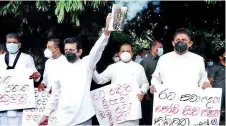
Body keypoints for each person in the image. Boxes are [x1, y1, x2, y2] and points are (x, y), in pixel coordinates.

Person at [39, 13, 111, 126]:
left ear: (79, 52)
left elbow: (97, 50)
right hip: (63, 118)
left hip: (83, 118)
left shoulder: (87, 64)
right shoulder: (59, 68)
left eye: (71, 50)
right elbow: (55, 94)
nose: (68, 52)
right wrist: (46, 114)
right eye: (66, 50)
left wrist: (106, 31)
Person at [93, 43, 149, 125]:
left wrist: (142, 92)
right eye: (123, 51)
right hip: (116, 112)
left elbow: (145, 83)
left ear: (132, 53)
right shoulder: (113, 67)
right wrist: (93, 69)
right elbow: (99, 80)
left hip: (133, 112)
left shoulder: (139, 68)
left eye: (128, 51)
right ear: (119, 53)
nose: (125, 53)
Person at [150, 28, 211, 94]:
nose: (180, 42)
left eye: (184, 40)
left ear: (190, 43)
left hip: (190, 99)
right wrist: (154, 86)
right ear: (173, 43)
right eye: (178, 40)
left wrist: (205, 84)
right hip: (168, 99)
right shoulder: (163, 59)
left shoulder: (198, 60)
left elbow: (203, 79)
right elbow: (156, 78)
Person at [0, 33, 40, 126]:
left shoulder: (27, 58)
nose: (11, 44)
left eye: (14, 42)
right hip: (2, 104)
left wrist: (36, 75)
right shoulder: (0, 58)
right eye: (9, 42)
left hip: (20, 104)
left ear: (19, 45)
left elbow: (36, 76)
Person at [140, 40, 163, 125]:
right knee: (149, 117)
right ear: (153, 48)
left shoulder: (162, 60)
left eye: (162, 47)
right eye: (159, 47)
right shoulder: (145, 61)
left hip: (161, 94)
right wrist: (145, 94)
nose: (161, 49)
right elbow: (141, 80)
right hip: (149, 96)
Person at [208, 48, 225, 122]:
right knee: (216, 112)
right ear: (221, 57)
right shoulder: (214, 67)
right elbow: (210, 81)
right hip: (219, 94)